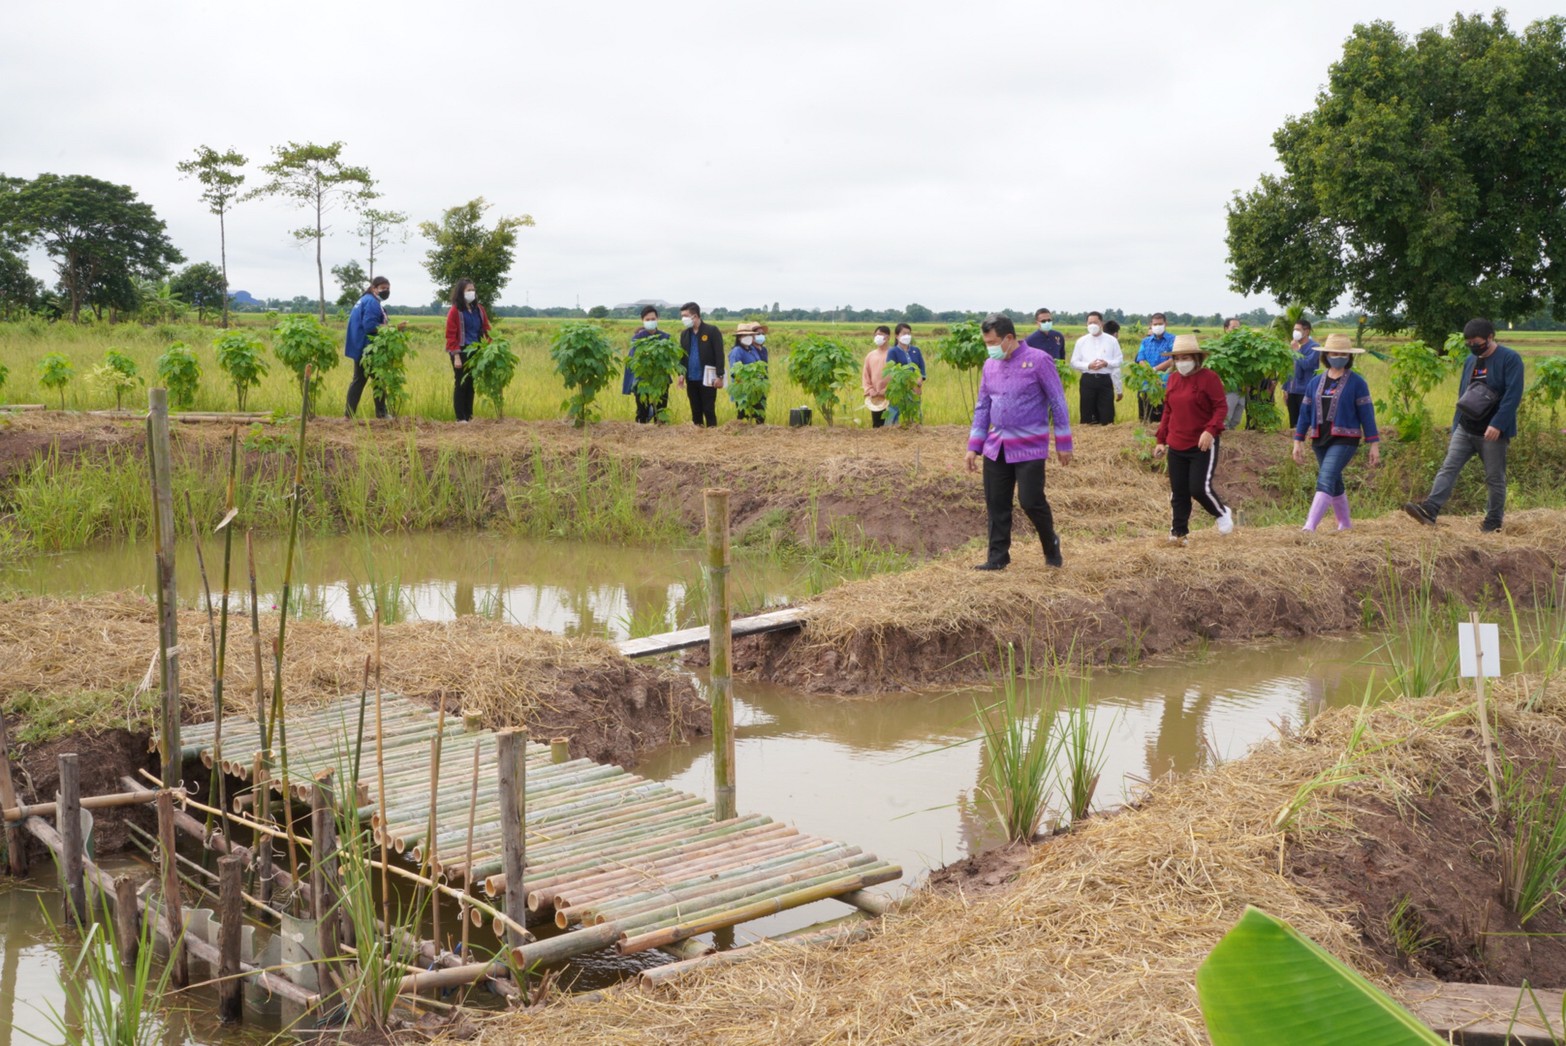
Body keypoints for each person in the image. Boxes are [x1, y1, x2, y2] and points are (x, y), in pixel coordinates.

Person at [966, 313, 1072, 570]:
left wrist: (1063, 442)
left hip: (1029, 445)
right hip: (997, 445)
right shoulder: (990, 366)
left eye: (993, 342)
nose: (989, 348)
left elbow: (1058, 401)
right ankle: (997, 557)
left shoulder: (1039, 361)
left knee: (1030, 500)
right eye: (986, 343)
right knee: (996, 502)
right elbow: (983, 406)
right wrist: (974, 446)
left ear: (1009, 338)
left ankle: (1051, 545)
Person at [1404, 318, 1526, 533]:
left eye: (1476, 343)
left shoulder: (1510, 359)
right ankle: (1430, 509)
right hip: (1466, 427)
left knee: (1494, 477)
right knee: (1449, 467)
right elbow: (1464, 394)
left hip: (1492, 432)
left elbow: (1513, 395)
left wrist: (1498, 424)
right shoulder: (1471, 361)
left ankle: (1493, 522)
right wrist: (1455, 425)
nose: (1472, 347)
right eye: (1468, 343)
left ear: (1490, 337)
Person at [1293, 334, 1380, 531]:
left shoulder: (1357, 383)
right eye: (1334, 353)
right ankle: (1345, 524)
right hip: (1320, 438)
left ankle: (1309, 527)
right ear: (1326, 355)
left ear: (1349, 357)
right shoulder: (1315, 382)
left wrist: (1373, 444)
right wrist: (1298, 441)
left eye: (1343, 354)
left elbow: (1367, 414)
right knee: (1335, 481)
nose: (1338, 357)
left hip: (1345, 439)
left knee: (1325, 477)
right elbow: (1305, 413)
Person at [1154, 335, 1234, 544]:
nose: (1181, 362)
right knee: (1179, 491)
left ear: (1196, 359)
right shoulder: (1173, 379)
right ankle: (1179, 532)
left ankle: (1221, 512)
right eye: (1178, 358)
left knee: (1198, 488)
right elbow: (1168, 411)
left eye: (1186, 357)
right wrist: (1161, 439)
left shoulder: (1209, 378)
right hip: (1176, 442)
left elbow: (1220, 407)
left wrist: (1210, 430)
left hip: (1202, 443)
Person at [344, 276, 404, 419]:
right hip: (367, 348)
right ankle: (381, 414)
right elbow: (370, 326)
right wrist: (393, 328)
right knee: (377, 379)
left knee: (363, 380)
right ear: (374, 288)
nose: (386, 291)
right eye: (383, 288)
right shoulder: (371, 302)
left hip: (361, 346)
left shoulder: (366, 300)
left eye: (388, 288)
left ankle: (350, 415)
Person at [444, 278, 490, 422]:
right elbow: (450, 335)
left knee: (471, 383)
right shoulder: (455, 311)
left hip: (476, 350)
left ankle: (469, 416)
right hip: (461, 350)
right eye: (468, 290)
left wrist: (491, 346)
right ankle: (460, 418)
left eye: (473, 290)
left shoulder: (479, 310)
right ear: (461, 292)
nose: (472, 292)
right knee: (461, 383)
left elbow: (487, 329)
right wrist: (456, 356)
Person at [1069, 310, 1122, 424]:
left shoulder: (1112, 341)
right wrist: (1088, 365)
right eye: (1090, 323)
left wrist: (1106, 363)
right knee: (1087, 416)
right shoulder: (1081, 341)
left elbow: (1119, 361)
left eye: (1095, 322)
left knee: (1107, 416)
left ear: (1101, 323)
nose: (1092, 325)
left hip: (1105, 380)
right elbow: (1074, 362)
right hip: (1088, 380)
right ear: (1086, 324)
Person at [677, 301, 724, 427]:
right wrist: (681, 374)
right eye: (682, 316)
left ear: (695, 316)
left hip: (708, 378)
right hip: (691, 378)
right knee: (695, 410)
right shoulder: (684, 334)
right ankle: (698, 435)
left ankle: (712, 433)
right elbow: (682, 356)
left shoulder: (711, 331)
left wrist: (720, 375)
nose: (683, 319)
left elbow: (719, 354)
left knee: (708, 409)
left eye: (685, 316)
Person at [624, 305, 671, 423]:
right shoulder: (637, 338)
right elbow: (634, 359)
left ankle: (661, 430)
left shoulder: (665, 337)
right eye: (647, 319)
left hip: (661, 380)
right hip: (642, 380)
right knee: (642, 411)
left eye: (653, 319)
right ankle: (641, 431)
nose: (651, 321)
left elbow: (670, 359)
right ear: (642, 320)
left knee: (660, 411)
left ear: (658, 318)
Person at [1134, 313, 1175, 422]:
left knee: (1165, 416)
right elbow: (1140, 359)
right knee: (1146, 415)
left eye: (1160, 324)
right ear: (1151, 324)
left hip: (1164, 383)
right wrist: (1150, 372)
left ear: (1165, 324)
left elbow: (1172, 360)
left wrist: (1155, 370)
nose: (1157, 326)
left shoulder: (1172, 339)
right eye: (1155, 324)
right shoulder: (1145, 341)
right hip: (1146, 382)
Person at [1280, 318, 1321, 429]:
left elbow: (1307, 365)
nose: (1295, 332)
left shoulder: (1315, 347)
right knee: (1293, 423)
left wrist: (1296, 351)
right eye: (1294, 329)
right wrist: (1285, 388)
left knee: (1305, 423)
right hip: (1291, 391)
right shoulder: (1292, 346)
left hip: (1305, 391)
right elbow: (1288, 368)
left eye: (1298, 330)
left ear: (1306, 331)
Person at [886, 322, 926, 424]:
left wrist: (919, 381)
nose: (907, 336)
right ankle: (890, 429)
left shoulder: (916, 350)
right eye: (904, 333)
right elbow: (892, 370)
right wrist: (909, 383)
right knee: (894, 412)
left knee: (914, 411)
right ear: (897, 336)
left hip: (915, 388)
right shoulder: (893, 351)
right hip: (899, 388)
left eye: (909, 333)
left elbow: (921, 368)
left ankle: (916, 428)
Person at [728, 322, 766, 422]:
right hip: (743, 389)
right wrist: (744, 384)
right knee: (743, 415)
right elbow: (734, 372)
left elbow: (758, 366)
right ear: (739, 338)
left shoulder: (752, 349)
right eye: (745, 335)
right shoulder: (737, 351)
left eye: (749, 335)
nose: (748, 337)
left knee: (759, 415)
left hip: (755, 388)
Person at [862, 325, 892, 428]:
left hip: (891, 396)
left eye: (880, 335)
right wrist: (870, 390)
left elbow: (898, 376)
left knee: (891, 425)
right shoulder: (870, 355)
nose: (877, 337)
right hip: (876, 397)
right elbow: (866, 376)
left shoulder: (894, 354)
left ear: (888, 337)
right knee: (877, 425)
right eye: (876, 335)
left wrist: (888, 390)